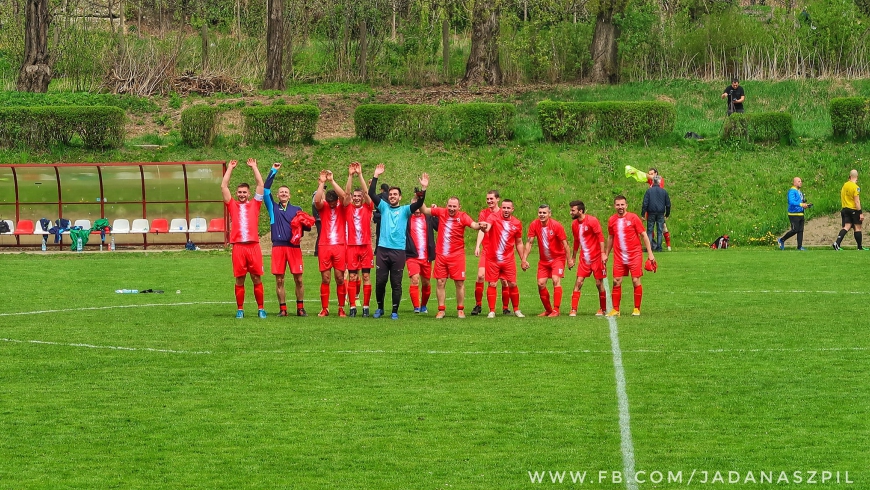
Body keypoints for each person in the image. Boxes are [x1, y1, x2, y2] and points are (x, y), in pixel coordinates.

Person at [368, 164, 429, 320]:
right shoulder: (383, 207)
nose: (392, 196)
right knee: (380, 281)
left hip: (398, 251)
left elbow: (419, 203)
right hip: (382, 250)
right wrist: (375, 176)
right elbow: (371, 193)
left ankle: (394, 311)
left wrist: (423, 189)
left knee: (396, 283)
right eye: (391, 194)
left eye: (395, 194)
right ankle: (380, 308)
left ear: (400, 197)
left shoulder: (405, 210)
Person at [421, 197, 488, 319]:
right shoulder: (441, 212)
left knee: (459, 282)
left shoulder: (463, 216)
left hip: (457, 255)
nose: (452, 208)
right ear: (446, 205)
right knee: (440, 282)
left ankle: (460, 309)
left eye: (454, 206)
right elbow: (424, 210)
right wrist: (421, 196)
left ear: (459, 207)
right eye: (450, 206)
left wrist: (481, 225)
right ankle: (441, 310)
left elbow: (474, 225)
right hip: (441, 255)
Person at [264, 162, 314, 317]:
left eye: (286, 192)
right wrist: (274, 170)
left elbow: (306, 227)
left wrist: (307, 225)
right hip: (278, 247)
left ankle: (300, 308)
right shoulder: (272, 207)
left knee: (298, 279)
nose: (284, 194)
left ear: (290, 195)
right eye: (281, 192)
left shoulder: (297, 209)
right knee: (279, 280)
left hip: (294, 248)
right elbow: (265, 190)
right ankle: (283, 309)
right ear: (278, 195)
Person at [220, 158, 267, 319]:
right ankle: (240, 309)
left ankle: (261, 308)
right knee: (240, 279)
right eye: (239, 192)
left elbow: (261, 185)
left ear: (248, 193)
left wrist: (254, 166)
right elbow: (223, 186)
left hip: (253, 246)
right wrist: (230, 168)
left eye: (244, 192)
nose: (241, 195)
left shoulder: (255, 204)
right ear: (237, 194)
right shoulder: (232, 205)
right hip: (238, 247)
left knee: (256, 277)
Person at [604, 195, 656, 317]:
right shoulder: (612, 220)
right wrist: (606, 254)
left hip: (634, 255)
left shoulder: (633, 218)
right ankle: (615, 309)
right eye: (618, 205)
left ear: (626, 205)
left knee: (635, 280)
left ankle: (636, 308)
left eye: (622, 204)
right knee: (616, 281)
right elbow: (611, 237)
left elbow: (644, 235)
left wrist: (650, 254)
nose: (620, 207)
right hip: (619, 256)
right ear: (614, 206)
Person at [521, 204, 569, 317]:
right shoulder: (534, 224)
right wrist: (524, 259)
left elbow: (565, 244)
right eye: (540, 212)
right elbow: (529, 242)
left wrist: (570, 259)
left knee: (555, 279)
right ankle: (548, 310)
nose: (542, 215)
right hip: (543, 261)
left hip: (558, 258)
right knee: (540, 283)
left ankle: (556, 310)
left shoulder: (556, 226)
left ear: (549, 214)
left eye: (544, 213)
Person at [314, 169, 349, 317]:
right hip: (324, 246)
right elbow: (317, 200)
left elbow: (345, 196)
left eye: (334, 203)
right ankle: (325, 308)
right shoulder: (324, 207)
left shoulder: (343, 206)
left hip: (340, 245)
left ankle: (341, 307)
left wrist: (332, 181)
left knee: (340, 277)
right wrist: (322, 183)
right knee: (325, 278)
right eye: (330, 203)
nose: (332, 205)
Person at [482, 199, 525, 318]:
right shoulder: (493, 217)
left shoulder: (517, 223)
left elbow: (519, 242)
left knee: (512, 283)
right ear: (501, 208)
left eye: (508, 208)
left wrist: (523, 259)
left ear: (512, 209)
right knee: (492, 284)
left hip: (508, 259)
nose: (506, 210)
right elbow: (487, 228)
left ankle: (516, 309)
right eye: (504, 208)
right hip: (493, 258)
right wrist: (484, 227)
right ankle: (492, 311)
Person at [343, 163, 375, 317]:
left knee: (366, 276)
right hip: (352, 246)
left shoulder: (368, 208)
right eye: (354, 197)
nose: (356, 198)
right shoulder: (347, 207)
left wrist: (360, 175)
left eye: (358, 196)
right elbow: (346, 194)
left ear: (362, 197)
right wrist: (350, 175)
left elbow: (368, 192)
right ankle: (353, 307)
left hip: (366, 246)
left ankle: (366, 307)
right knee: (353, 276)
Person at [472, 190, 510, 316]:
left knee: (504, 281)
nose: (489, 201)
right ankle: (478, 305)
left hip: (501, 252)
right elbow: (482, 230)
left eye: (491, 199)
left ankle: (505, 307)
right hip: (487, 250)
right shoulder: (484, 213)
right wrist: (477, 245)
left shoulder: (503, 212)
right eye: (487, 199)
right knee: (481, 276)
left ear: (497, 199)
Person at [567, 200, 607, 317]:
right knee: (578, 282)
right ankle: (573, 309)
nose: (571, 212)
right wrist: (573, 258)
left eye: (573, 210)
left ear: (580, 211)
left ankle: (603, 309)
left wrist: (603, 253)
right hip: (584, 259)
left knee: (599, 284)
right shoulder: (574, 224)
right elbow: (576, 241)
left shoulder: (592, 221)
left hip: (596, 258)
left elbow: (600, 237)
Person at [406, 197, 438, 314]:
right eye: (414, 206)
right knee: (415, 280)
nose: (417, 209)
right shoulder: (407, 218)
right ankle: (416, 307)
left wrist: (436, 214)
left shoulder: (428, 217)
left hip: (426, 256)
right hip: (412, 255)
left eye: (419, 206)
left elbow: (439, 226)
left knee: (426, 282)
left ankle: (424, 305)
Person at [832, 169, 864, 251]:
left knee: (846, 226)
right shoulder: (856, 187)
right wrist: (860, 212)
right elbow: (857, 201)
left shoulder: (844, 185)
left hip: (845, 208)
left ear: (849, 177)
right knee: (857, 227)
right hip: (853, 209)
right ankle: (859, 247)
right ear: (856, 177)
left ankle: (837, 243)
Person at [777, 177, 810, 251]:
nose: (800, 182)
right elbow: (791, 202)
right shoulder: (792, 191)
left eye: (801, 181)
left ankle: (799, 246)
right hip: (793, 214)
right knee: (795, 230)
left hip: (801, 213)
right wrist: (801, 204)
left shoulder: (800, 192)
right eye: (798, 181)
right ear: (794, 183)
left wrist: (805, 205)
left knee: (800, 230)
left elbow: (800, 202)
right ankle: (782, 240)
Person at [641, 176, 671, 253]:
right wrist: (667, 214)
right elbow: (668, 204)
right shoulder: (664, 191)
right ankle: (659, 247)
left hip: (651, 213)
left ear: (653, 182)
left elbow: (645, 203)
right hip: (661, 213)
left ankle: (649, 247)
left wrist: (643, 214)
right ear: (659, 182)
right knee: (660, 231)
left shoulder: (649, 191)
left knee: (650, 231)